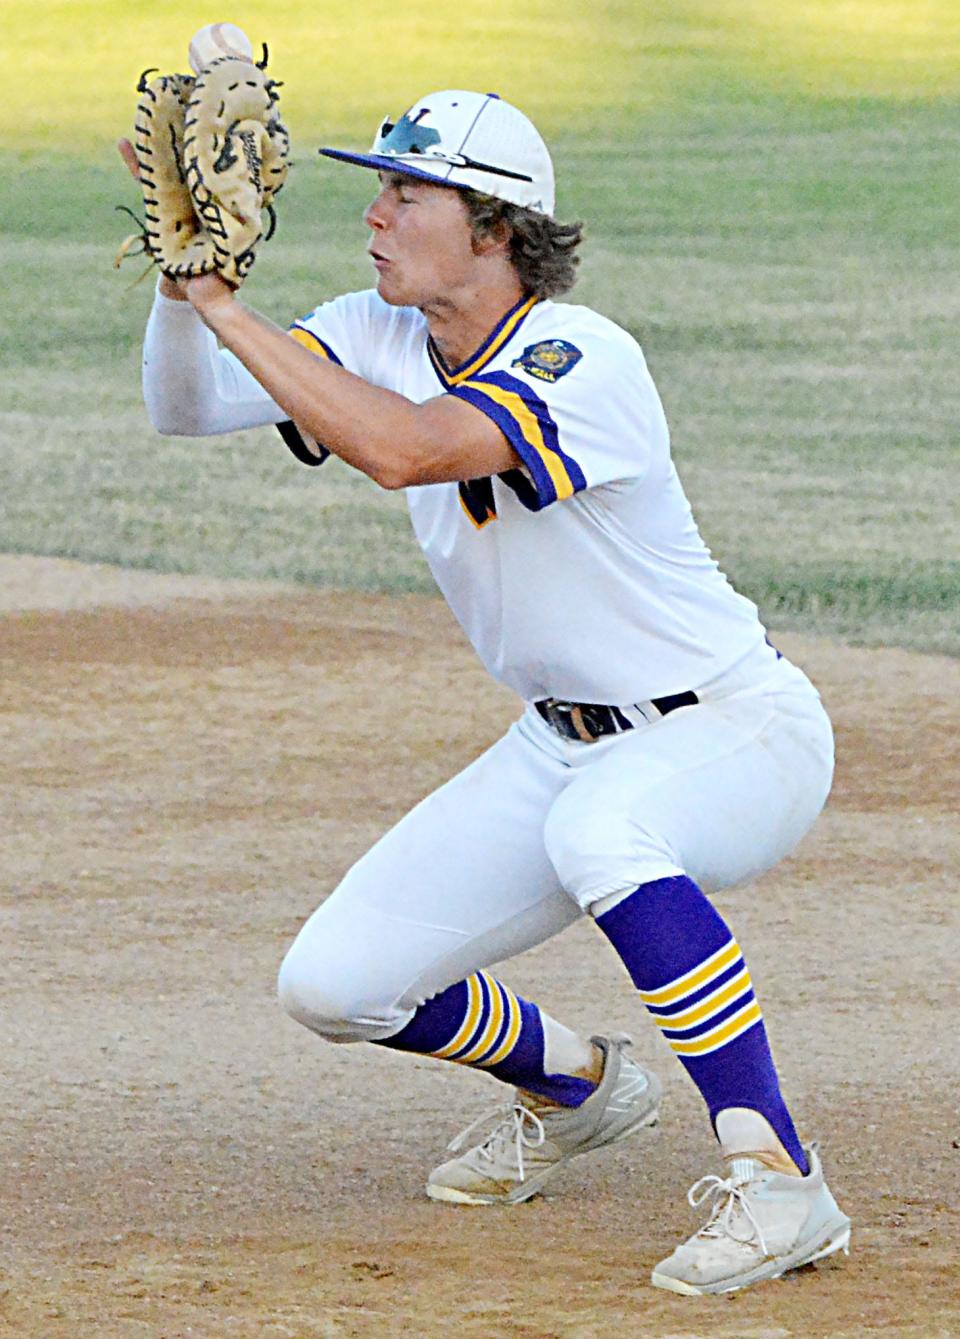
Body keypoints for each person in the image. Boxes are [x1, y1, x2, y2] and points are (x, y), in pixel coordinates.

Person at [131, 89, 851, 1296]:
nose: (373, 214)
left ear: (493, 227)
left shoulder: (586, 357)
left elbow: (407, 449)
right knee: (334, 983)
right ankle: (575, 1083)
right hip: (559, 745)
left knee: (603, 827)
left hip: (736, 731)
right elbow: (187, 403)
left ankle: (781, 1182)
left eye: (406, 192)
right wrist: (176, 290)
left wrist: (221, 301)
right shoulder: (374, 326)